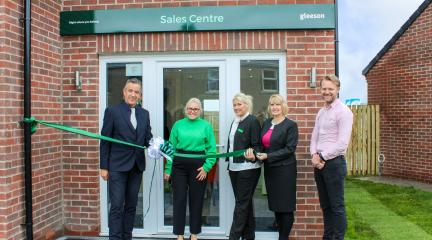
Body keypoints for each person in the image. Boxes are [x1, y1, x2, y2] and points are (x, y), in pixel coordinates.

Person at [100, 78, 153, 240]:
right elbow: (105, 140)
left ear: (140, 95)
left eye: (136, 92)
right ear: (124, 92)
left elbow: (147, 139)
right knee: (116, 206)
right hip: (116, 167)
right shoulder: (112, 111)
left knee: (131, 206)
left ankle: (126, 236)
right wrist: (103, 166)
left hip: (136, 167)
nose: (133, 94)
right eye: (130, 91)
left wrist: (158, 147)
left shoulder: (144, 114)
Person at [164, 98, 217, 240]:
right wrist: (168, 169)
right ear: (186, 110)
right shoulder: (178, 125)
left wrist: (206, 168)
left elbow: (212, 150)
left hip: (199, 167)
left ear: (200, 111)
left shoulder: (206, 126)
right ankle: (179, 234)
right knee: (179, 200)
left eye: (196, 109)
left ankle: (194, 233)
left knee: (197, 200)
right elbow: (170, 148)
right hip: (179, 167)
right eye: (190, 108)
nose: (192, 111)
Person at [310, 75, 353, 240]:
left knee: (337, 207)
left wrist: (321, 156)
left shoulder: (343, 112)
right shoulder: (321, 112)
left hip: (334, 164)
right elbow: (315, 136)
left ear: (338, 90)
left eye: (330, 89)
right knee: (325, 207)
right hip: (319, 164)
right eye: (324, 89)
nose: (326, 92)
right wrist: (314, 155)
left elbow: (342, 144)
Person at [253, 94, 298, 240]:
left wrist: (268, 156)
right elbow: (262, 145)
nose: (275, 107)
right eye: (272, 105)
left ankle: (283, 237)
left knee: (285, 206)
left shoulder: (290, 125)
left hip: (285, 171)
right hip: (271, 170)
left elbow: (290, 149)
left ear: (283, 106)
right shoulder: (266, 123)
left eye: (277, 104)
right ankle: (280, 233)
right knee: (276, 205)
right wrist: (255, 154)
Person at [226, 93, 263, 240]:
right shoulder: (235, 122)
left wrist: (253, 154)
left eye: (239, 104)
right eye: (234, 105)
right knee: (244, 203)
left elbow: (257, 145)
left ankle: (233, 237)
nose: (236, 107)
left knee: (241, 204)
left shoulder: (252, 121)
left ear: (247, 105)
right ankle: (249, 236)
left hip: (248, 168)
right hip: (234, 168)